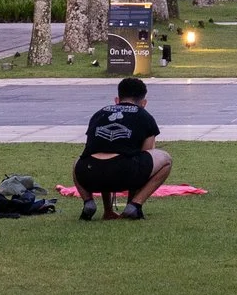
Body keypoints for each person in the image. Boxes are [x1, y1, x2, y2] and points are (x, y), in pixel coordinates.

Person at [73, 77, 172, 220]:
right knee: (165, 159)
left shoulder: (98, 114)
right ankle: (134, 206)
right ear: (144, 103)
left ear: (117, 100)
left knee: (79, 161)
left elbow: (93, 150)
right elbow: (145, 154)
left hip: (88, 173)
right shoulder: (144, 116)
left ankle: (90, 203)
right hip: (124, 173)